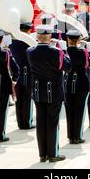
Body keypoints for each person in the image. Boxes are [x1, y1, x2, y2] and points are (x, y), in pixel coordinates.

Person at [27, 25, 71, 162]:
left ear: (37, 36)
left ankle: (42, 154)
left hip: (38, 91)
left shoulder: (30, 51)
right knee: (52, 123)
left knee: (41, 123)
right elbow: (68, 67)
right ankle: (52, 154)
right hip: (54, 92)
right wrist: (64, 50)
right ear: (50, 37)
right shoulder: (56, 52)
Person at [64, 29, 90, 144]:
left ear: (68, 39)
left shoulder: (64, 51)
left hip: (68, 83)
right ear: (79, 40)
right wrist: (89, 51)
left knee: (69, 110)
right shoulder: (83, 52)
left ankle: (70, 136)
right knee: (79, 110)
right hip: (81, 84)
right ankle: (77, 136)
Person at [9, 22, 35, 130]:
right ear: (29, 30)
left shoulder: (12, 42)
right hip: (28, 73)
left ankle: (20, 122)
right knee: (27, 99)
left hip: (17, 74)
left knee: (18, 100)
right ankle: (27, 122)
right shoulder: (30, 42)